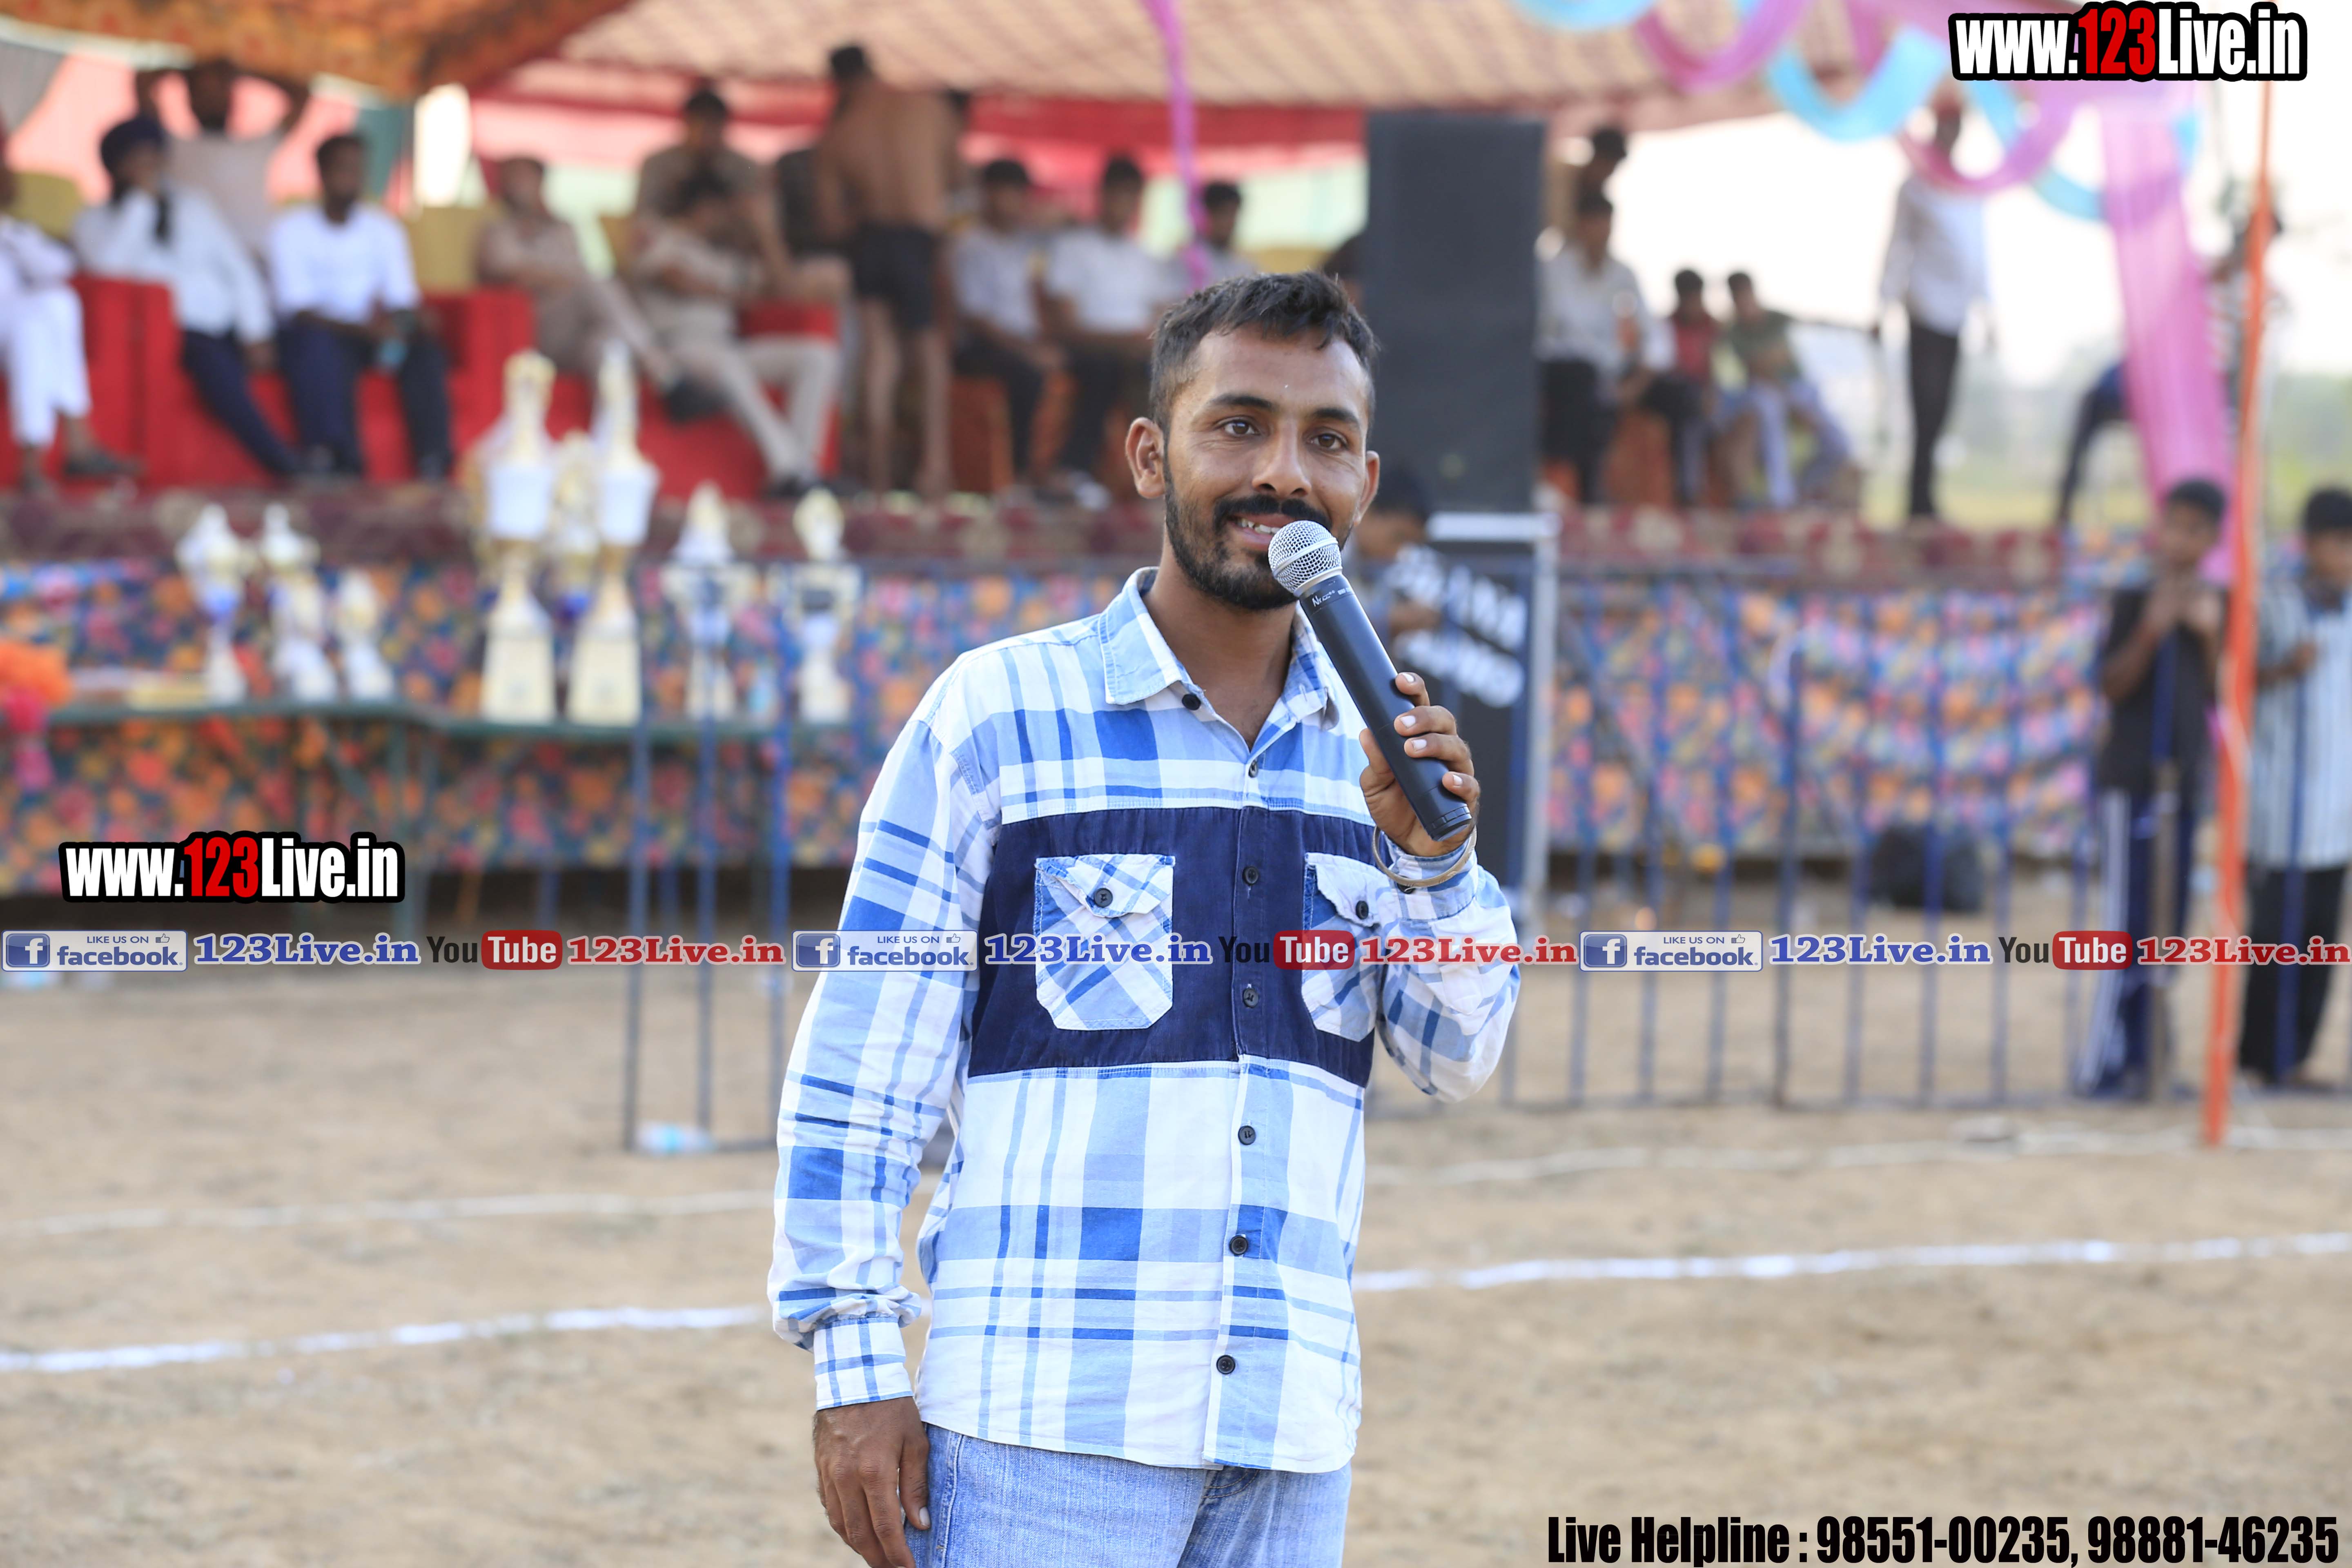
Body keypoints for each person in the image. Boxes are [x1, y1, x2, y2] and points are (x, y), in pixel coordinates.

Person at [773, 269, 1516, 1568]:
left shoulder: (1381, 748)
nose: (1282, 472)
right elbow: (862, 1067)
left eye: (1325, 440)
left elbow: (1459, 1055)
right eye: (1239, 424)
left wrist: (1436, 864)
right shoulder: (997, 716)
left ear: (1362, 484)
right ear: (1149, 454)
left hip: (1288, 1440)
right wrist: (854, 1364)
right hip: (1043, 1436)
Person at [2080, 477, 2227, 1098]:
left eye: (2194, 530)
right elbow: (2110, 685)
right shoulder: (2134, 595)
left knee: (2170, 929)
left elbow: (2223, 695)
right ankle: (2105, 1064)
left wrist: (2208, 634)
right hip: (2131, 780)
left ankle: (2153, 1055)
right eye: (2172, 526)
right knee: (2127, 925)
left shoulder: (2217, 603)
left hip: (2183, 781)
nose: (2179, 540)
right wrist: (2152, 627)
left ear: (2213, 540)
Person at [75, 116, 297, 479]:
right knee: (213, 363)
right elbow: (108, 272)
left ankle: (332, 455)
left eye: (154, 159)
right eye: (138, 160)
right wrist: (141, 204)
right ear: (116, 167)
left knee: (311, 346)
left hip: (230, 325)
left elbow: (237, 267)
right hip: (179, 336)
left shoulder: (194, 205)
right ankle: (282, 462)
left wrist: (255, 331)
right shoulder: (94, 221)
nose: (150, 169)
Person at [813, 43, 964, 498]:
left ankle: (878, 477)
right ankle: (934, 468)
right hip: (918, 239)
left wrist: (867, 206)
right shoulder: (929, 109)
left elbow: (831, 223)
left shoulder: (839, 134)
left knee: (879, 353)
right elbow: (956, 179)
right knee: (928, 350)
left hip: (872, 239)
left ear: (837, 83)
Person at [633, 172, 842, 499]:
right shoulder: (661, 234)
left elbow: (785, 292)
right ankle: (789, 471)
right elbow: (674, 279)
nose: (729, 219)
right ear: (704, 208)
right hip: (677, 351)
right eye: (723, 210)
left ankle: (804, 473)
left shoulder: (731, 256)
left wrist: (767, 234)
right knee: (727, 365)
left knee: (817, 356)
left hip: (725, 347)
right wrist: (733, 296)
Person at [2238, 488, 2352, 1088]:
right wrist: (2284, 669)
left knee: (2321, 942)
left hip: (2338, 813)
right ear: (2311, 545)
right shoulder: (2273, 607)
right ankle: (2259, 1059)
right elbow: (2231, 681)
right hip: (2280, 808)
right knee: (2275, 942)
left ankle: (2298, 1057)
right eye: (2342, 544)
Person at [476, 156, 719, 422]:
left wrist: (562, 278)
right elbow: (512, 275)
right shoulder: (497, 232)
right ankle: (668, 376)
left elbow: (572, 275)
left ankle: (612, 436)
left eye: (522, 176)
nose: (514, 184)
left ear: (540, 182)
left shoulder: (563, 229)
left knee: (606, 345)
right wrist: (565, 280)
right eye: (509, 177)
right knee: (594, 284)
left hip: (577, 334)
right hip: (534, 332)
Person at [269, 134, 453, 480]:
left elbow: (400, 299)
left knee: (426, 351)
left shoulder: (384, 228)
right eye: (343, 168)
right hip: (321, 333)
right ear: (322, 172)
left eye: (358, 169)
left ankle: (434, 462)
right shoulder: (290, 229)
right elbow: (297, 309)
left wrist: (412, 321)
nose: (352, 177)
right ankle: (338, 460)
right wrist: (363, 329)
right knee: (317, 347)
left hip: (373, 336)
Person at [1877, 98, 1990, 523]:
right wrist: (1883, 303)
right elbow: (1897, 246)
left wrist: (1988, 311)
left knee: (1942, 409)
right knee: (1924, 406)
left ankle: (1927, 499)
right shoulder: (1916, 186)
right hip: (1924, 308)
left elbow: (1979, 254)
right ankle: (1917, 503)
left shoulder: (1970, 188)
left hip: (1957, 314)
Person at [0, 158, 141, 494]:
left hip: (17, 330)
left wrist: (11, 237)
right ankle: (74, 443)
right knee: (34, 322)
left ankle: (40, 459)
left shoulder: (14, 230)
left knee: (58, 302)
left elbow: (61, 268)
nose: (10, 180)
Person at [1041, 153, 1176, 501]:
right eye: (1118, 194)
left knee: (1169, 375)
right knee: (1105, 369)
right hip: (1087, 349)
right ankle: (1073, 471)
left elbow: (1161, 319)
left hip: (1136, 352)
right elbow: (1065, 325)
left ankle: (1164, 477)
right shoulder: (1072, 247)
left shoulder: (1145, 258)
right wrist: (1123, 341)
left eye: (1132, 196)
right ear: (1101, 195)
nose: (1124, 204)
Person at [1535, 189, 1665, 504]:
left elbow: (1656, 337)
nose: (1602, 234)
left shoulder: (1623, 275)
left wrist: (1638, 381)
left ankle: (1686, 494)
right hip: (1561, 370)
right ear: (1581, 226)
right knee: (1581, 382)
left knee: (1679, 395)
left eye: (1606, 225)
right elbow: (1542, 334)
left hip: (1608, 375)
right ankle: (1565, 481)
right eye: (1595, 224)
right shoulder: (1554, 271)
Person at [134, 58, 312, 258]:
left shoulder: (258, 147)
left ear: (232, 100)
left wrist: (241, 72)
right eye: (203, 94)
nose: (212, 100)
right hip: (188, 261)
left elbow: (301, 94)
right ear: (191, 102)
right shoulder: (170, 146)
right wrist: (192, 70)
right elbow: (143, 81)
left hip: (249, 260)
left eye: (220, 92)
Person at [948, 158, 1057, 481]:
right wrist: (1028, 350)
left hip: (1022, 342)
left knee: (1092, 366)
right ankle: (1020, 474)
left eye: (1019, 194)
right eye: (1006, 193)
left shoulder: (1024, 245)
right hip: (980, 346)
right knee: (1027, 375)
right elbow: (975, 319)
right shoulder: (971, 245)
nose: (1014, 202)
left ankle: (1066, 471)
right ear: (987, 194)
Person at [1721, 271, 1851, 511]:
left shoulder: (1776, 319)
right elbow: (1759, 371)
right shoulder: (1735, 333)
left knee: (1839, 444)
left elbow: (1816, 322)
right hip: (1769, 393)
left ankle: (1803, 490)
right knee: (1768, 410)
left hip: (1800, 389)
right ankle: (1781, 498)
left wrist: (1855, 329)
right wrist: (1795, 405)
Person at [1343, 461, 1440, 644]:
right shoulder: (1329, 552)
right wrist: (1387, 621)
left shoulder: (1375, 567)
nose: (1399, 553)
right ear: (1367, 510)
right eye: (1398, 537)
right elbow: (1319, 625)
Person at [1196, 180, 1256, 283]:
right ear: (1206, 214)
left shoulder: (1243, 265)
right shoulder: (1186, 263)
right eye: (1224, 214)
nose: (1230, 223)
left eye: (1233, 215)